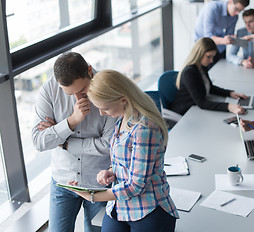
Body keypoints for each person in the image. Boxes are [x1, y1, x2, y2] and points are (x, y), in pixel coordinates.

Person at [67, 69, 179, 231]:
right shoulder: (122, 118)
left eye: (105, 108)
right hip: (120, 206)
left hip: (148, 209)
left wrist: (93, 196)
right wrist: (111, 171)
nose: (101, 113)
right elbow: (124, 160)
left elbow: (136, 185)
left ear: (123, 100)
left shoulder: (145, 129)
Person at [32, 52, 117, 232]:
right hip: (63, 182)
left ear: (89, 70)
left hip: (99, 182)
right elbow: (39, 142)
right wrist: (71, 121)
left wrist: (64, 142)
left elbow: (108, 145)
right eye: (70, 93)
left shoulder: (108, 88)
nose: (79, 98)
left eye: (82, 90)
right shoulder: (48, 91)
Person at [169, 37, 248, 115]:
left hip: (195, 110)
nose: (211, 61)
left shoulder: (202, 67)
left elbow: (210, 88)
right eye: (208, 57)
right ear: (199, 53)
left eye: (212, 57)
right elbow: (202, 103)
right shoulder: (189, 73)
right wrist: (229, 106)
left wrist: (230, 93)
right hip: (184, 113)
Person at [194, 0, 250, 64]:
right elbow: (208, 37)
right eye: (236, 9)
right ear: (230, 2)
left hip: (219, 46)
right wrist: (225, 40)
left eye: (240, 11)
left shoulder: (235, 16)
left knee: (219, 68)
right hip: (203, 45)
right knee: (206, 71)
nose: (237, 13)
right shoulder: (212, 8)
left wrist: (233, 38)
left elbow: (229, 34)